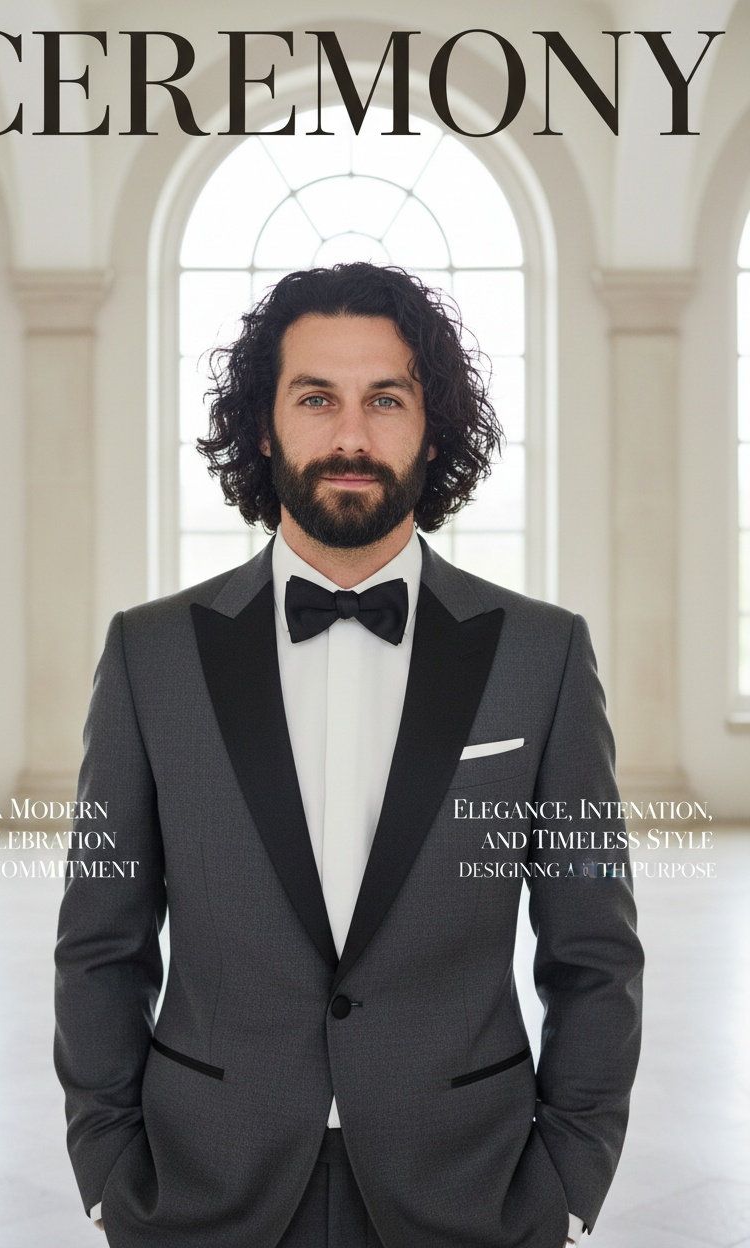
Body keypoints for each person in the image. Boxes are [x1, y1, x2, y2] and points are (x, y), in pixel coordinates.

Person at [54, 262, 644, 1248]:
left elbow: (594, 950)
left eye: (386, 399)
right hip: (202, 1186)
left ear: (433, 427)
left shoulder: (542, 656)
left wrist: (570, 1175)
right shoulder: (149, 655)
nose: (352, 437)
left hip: (471, 1188)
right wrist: (109, 1164)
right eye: (316, 398)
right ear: (264, 425)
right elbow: (99, 943)